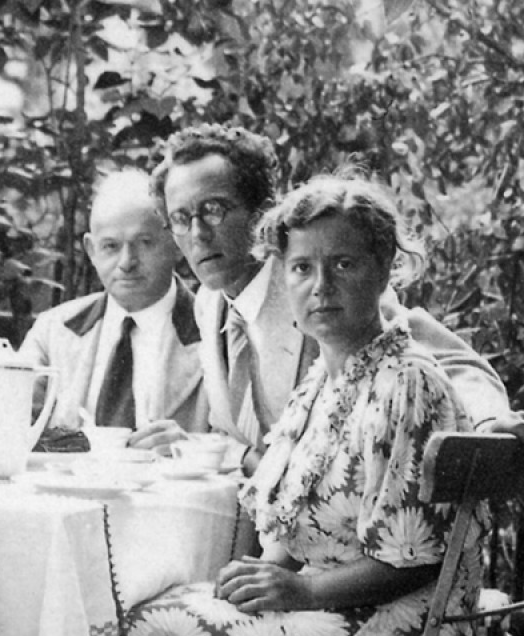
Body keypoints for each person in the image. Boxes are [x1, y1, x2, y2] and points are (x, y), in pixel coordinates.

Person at [104, 174, 489, 636]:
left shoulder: (406, 382)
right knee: (144, 620)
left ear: (386, 267)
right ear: (282, 278)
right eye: (303, 268)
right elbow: (293, 515)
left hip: (401, 633)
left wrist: (299, 588)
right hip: (335, 609)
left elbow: (413, 560)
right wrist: (264, 577)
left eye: (343, 264)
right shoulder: (325, 381)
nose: (322, 286)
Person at [148, 124, 510, 471]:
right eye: (181, 218)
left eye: (213, 209)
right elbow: (238, 432)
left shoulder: (320, 292)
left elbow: (446, 363)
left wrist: (490, 424)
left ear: (260, 210)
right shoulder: (208, 305)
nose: (197, 233)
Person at [19, 168, 207, 443]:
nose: (127, 262)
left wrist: (191, 449)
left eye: (144, 243)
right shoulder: (54, 332)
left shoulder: (215, 332)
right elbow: (7, 425)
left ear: (176, 243)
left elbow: (250, 446)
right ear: (91, 250)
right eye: (110, 246)